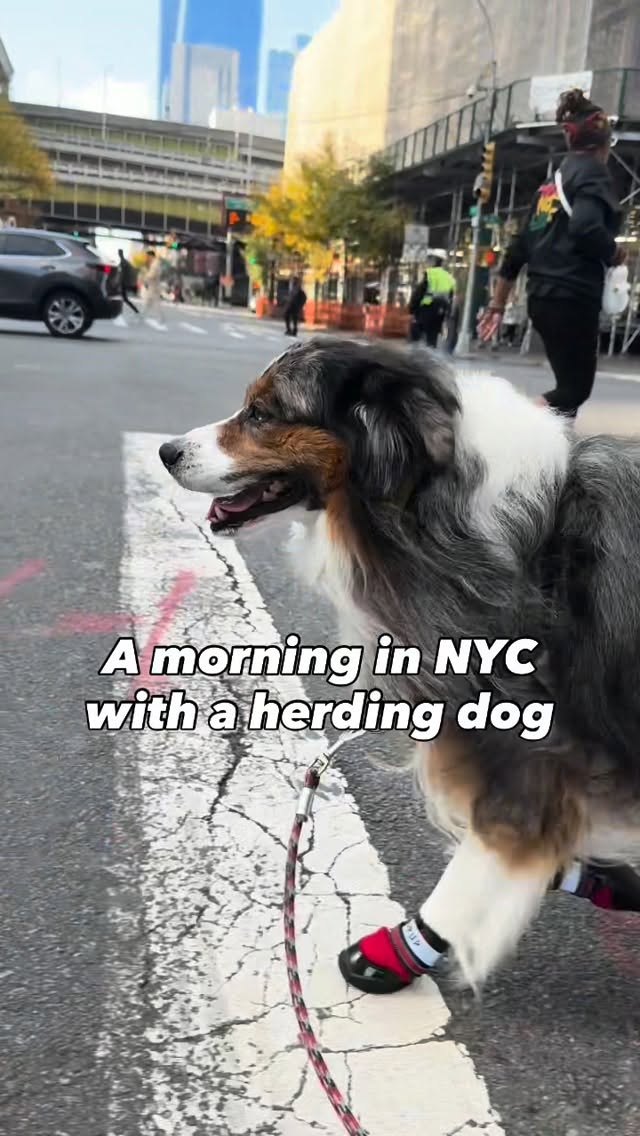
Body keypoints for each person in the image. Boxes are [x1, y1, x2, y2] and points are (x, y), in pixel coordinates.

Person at [478, 88, 624, 420]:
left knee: (567, 390)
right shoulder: (593, 173)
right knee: (573, 390)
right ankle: (513, 426)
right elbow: (585, 228)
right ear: (603, 143)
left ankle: (554, 460)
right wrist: (614, 252)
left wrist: (497, 304)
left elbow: (518, 249)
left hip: (542, 298)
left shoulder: (550, 185)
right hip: (571, 295)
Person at [408, 256, 456, 348]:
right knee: (433, 334)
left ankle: (416, 350)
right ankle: (431, 349)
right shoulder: (448, 277)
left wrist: (412, 309)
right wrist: (447, 311)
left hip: (427, 307)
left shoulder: (430, 274)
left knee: (416, 330)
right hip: (441, 310)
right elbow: (450, 295)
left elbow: (420, 292)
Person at [142, 249, 165, 329]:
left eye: (147, 256)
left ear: (151, 256)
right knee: (148, 303)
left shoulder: (155, 264)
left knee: (155, 304)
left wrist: (145, 278)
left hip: (154, 287)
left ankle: (160, 319)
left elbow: (152, 274)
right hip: (153, 286)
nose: (147, 257)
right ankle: (141, 317)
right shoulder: (155, 263)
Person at [117, 248, 139, 316]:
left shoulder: (123, 262)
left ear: (121, 253)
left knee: (124, 298)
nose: (119, 254)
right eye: (119, 253)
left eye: (119, 253)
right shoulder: (123, 261)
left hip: (124, 282)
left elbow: (122, 273)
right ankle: (134, 310)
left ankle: (135, 310)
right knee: (123, 298)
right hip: (124, 282)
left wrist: (119, 282)